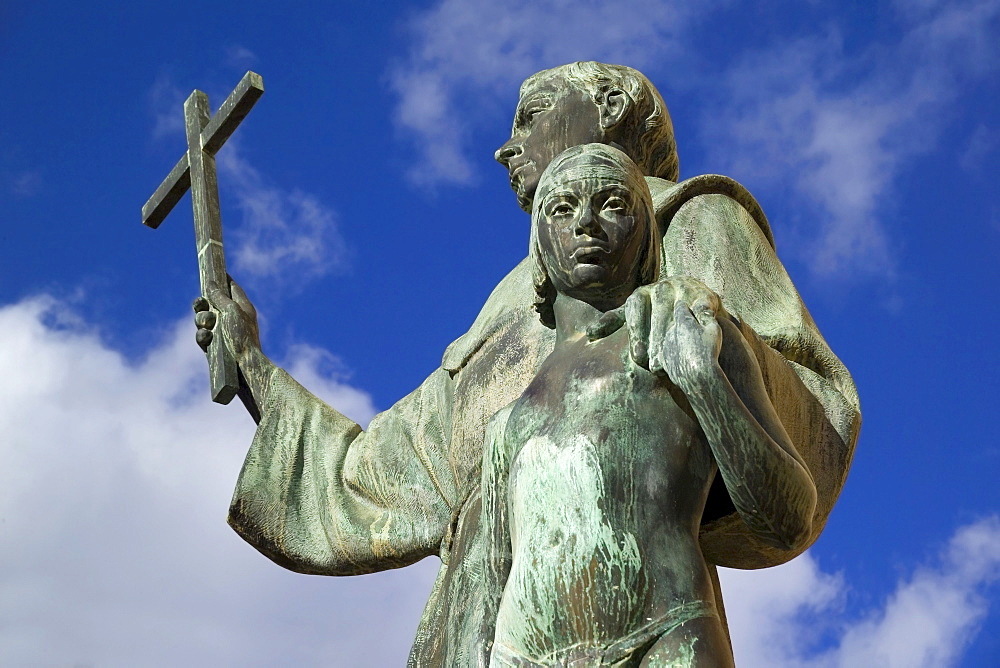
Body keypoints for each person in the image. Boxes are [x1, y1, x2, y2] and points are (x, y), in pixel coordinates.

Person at [198, 62, 860, 666]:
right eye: (564, 212)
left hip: (648, 616)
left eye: (531, 115)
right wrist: (256, 369)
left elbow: (811, 419)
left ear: (608, 105)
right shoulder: (509, 302)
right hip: (489, 637)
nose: (506, 146)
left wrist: (708, 358)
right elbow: (396, 468)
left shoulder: (690, 221)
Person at [479, 144, 815, 666]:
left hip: (670, 636)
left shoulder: (694, 333)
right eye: (562, 209)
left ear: (645, 234)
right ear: (539, 242)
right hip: (520, 654)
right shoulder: (507, 424)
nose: (586, 222)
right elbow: (487, 581)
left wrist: (703, 381)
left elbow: (788, 519)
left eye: (612, 202)